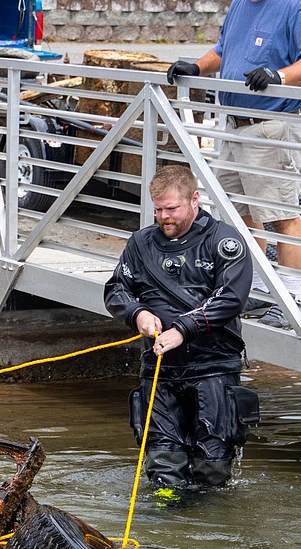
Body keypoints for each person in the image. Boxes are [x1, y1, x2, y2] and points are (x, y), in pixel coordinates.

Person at [166, 0, 301, 330]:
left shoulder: (297, 3)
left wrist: (280, 75)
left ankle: (287, 299)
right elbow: (226, 49)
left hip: (270, 127)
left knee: (281, 215)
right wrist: (196, 67)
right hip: (233, 127)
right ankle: (257, 290)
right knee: (239, 214)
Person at [104, 164, 259, 501]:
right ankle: (165, 527)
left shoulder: (224, 242)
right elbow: (117, 290)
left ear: (194, 200)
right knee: (163, 465)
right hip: (161, 370)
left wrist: (183, 329)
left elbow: (231, 299)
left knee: (212, 466)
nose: (164, 217)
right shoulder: (141, 243)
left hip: (214, 367)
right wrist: (138, 313)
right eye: (158, 209)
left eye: (171, 209)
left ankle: (208, 529)